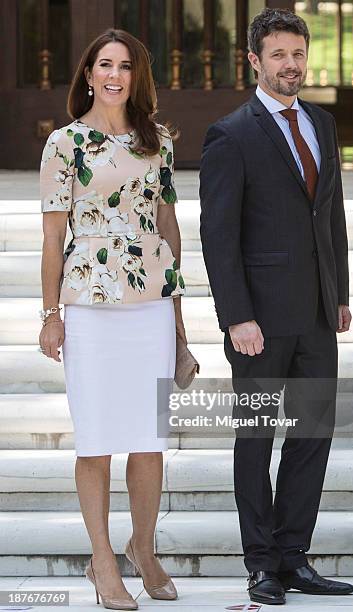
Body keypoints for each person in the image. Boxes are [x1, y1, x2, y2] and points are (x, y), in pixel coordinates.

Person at [200, 8, 353, 607]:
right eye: (279, 56)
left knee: (312, 437)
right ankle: (261, 565)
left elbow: (330, 215)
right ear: (255, 61)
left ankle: (294, 558)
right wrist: (237, 316)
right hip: (258, 325)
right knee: (256, 439)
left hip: (317, 317)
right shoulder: (230, 133)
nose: (291, 65)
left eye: (298, 54)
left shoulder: (322, 123)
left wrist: (338, 293)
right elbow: (219, 233)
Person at [38, 29, 185, 610]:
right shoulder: (64, 145)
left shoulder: (160, 141)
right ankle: (104, 563)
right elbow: (52, 241)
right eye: (105, 64)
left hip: (150, 303)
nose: (115, 75)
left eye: (125, 66)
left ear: (137, 76)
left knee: (148, 442)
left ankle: (142, 547)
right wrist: (51, 315)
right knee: (96, 442)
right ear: (89, 73)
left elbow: (169, 227)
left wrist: (179, 322)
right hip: (89, 308)